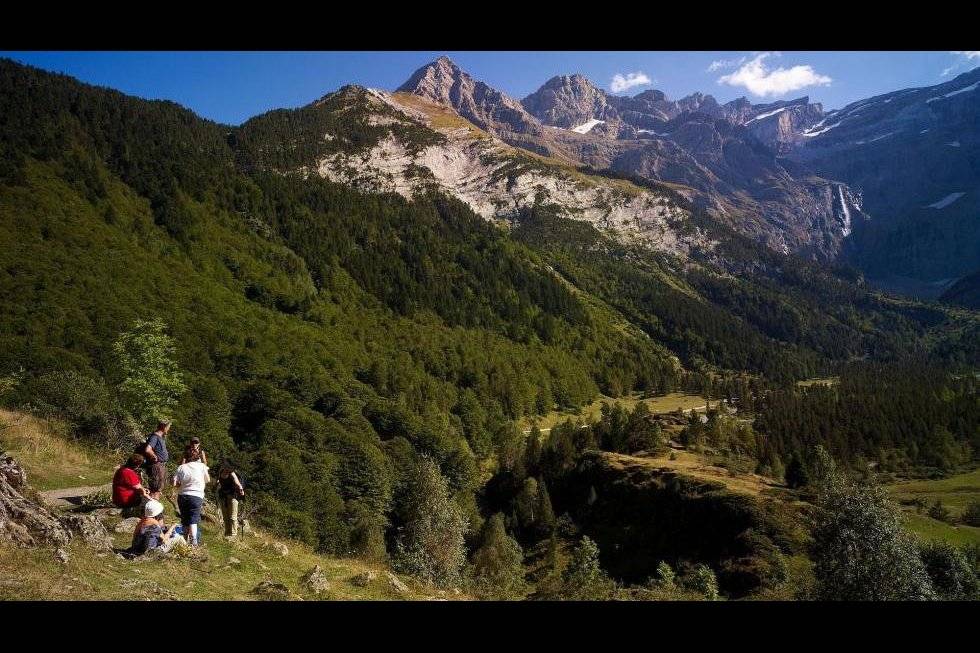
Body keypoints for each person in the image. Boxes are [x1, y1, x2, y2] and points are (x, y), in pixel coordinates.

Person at [173, 449, 210, 546]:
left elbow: (175, 483)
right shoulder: (202, 466)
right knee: (193, 518)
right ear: (198, 457)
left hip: (182, 495)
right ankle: (194, 542)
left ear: (186, 457)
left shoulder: (181, 467)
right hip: (196, 495)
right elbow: (208, 480)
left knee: (184, 519)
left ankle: (184, 541)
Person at [141, 420, 171, 499]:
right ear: (164, 427)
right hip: (157, 466)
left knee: (158, 488)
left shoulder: (160, 437)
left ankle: (153, 508)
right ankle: (152, 508)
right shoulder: (155, 437)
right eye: (168, 427)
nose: (168, 429)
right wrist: (154, 456)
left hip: (160, 465)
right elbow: (148, 449)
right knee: (155, 489)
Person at [216, 464, 245, 538]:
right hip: (223, 497)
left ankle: (233, 535)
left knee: (232, 517)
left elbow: (237, 482)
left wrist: (241, 489)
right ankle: (227, 533)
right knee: (225, 517)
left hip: (233, 497)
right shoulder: (220, 472)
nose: (225, 468)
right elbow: (219, 482)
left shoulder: (232, 473)